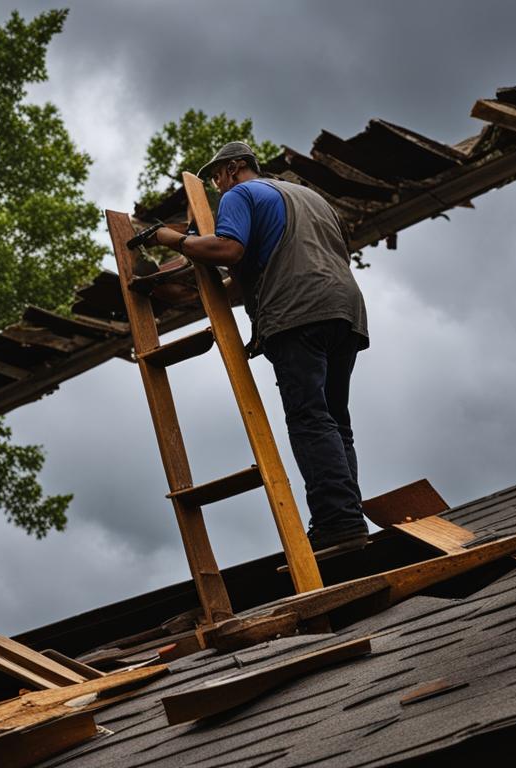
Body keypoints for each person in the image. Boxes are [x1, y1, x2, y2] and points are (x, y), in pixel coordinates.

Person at [147, 141, 369, 555]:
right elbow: (280, 264)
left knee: (309, 418)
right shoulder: (310, 198)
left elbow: (227, 249)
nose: (216, 186)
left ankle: (337, 522)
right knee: (336, 421)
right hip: (344, 311)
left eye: (217, 176)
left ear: (234, 168)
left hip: (297, 314)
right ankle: (349, 518)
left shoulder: (241, 193)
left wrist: (169, 239)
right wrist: (201, 298)